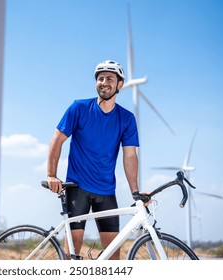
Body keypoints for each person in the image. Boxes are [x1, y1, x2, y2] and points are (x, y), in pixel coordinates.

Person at [47, 60, 149, 260]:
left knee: (113, 254)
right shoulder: (79, 108)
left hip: (106, 192)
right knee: (73, 251)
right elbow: (56, 140)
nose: (104, 82)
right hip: (77, 188)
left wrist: (135, 192)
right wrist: (51, 175)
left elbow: (130, 155)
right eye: (100, 78)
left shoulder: (126, 119)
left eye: (109, 78)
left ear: (120, 85)